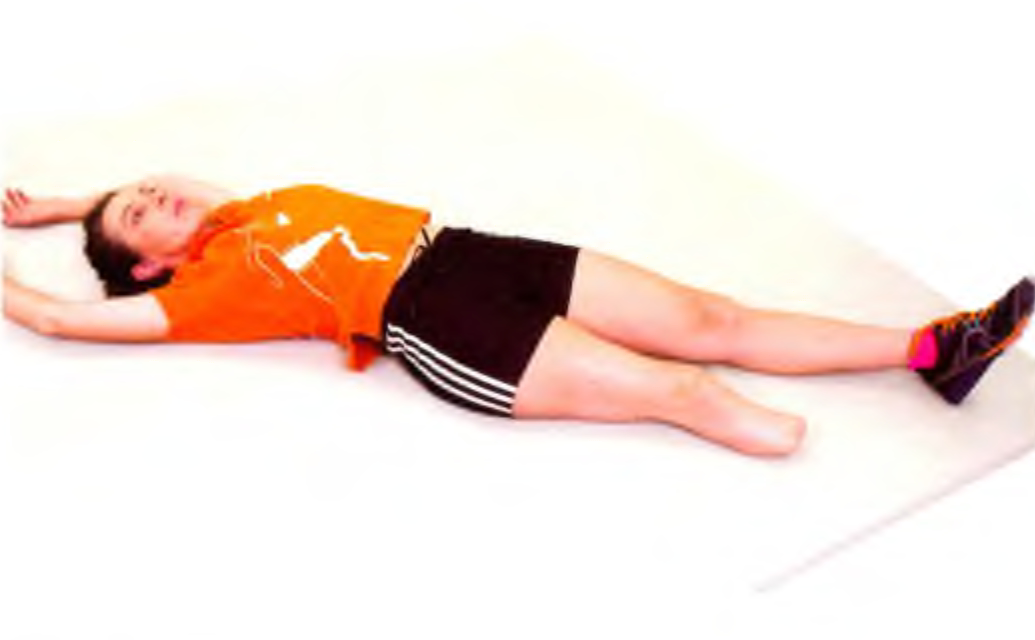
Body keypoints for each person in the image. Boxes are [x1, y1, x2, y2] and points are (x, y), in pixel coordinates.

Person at [3, 178, 1032, 458]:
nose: (152, 195)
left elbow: (145, 187)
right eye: (135, 214)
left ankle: (935, 348)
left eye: (144, 188)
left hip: (474, 252)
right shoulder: (195, 298)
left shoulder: (247, 208)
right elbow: (53, 317)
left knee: (711, 314)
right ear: (147, 263)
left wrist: (61, 206)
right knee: (690, 390)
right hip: (432, 319)